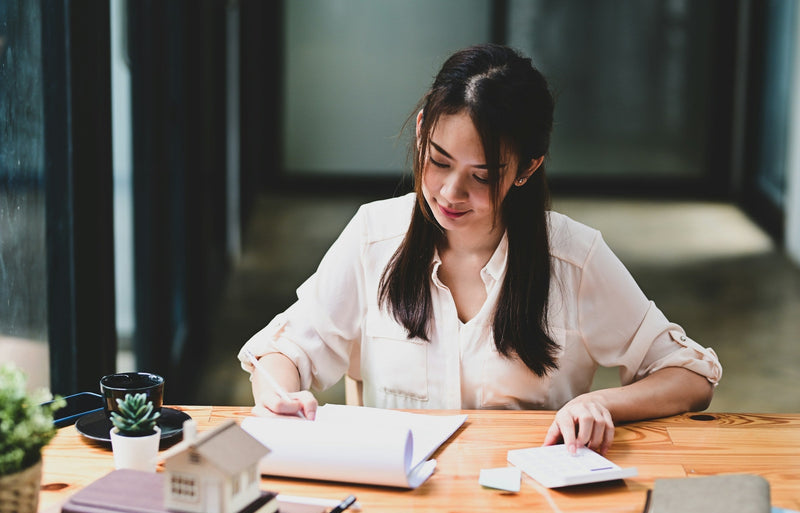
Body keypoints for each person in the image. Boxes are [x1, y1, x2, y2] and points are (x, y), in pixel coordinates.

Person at [238, 43, 722, 455]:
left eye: (482, 176)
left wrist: (599, 404)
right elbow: (285, 350)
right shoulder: (374, 236)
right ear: (424, 127)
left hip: (531, 507)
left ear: (528, 169)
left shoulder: (574, 258)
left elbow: (689, 375)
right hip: (402, 507)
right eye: (437, 160)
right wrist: (280, 395)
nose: (450, 192)